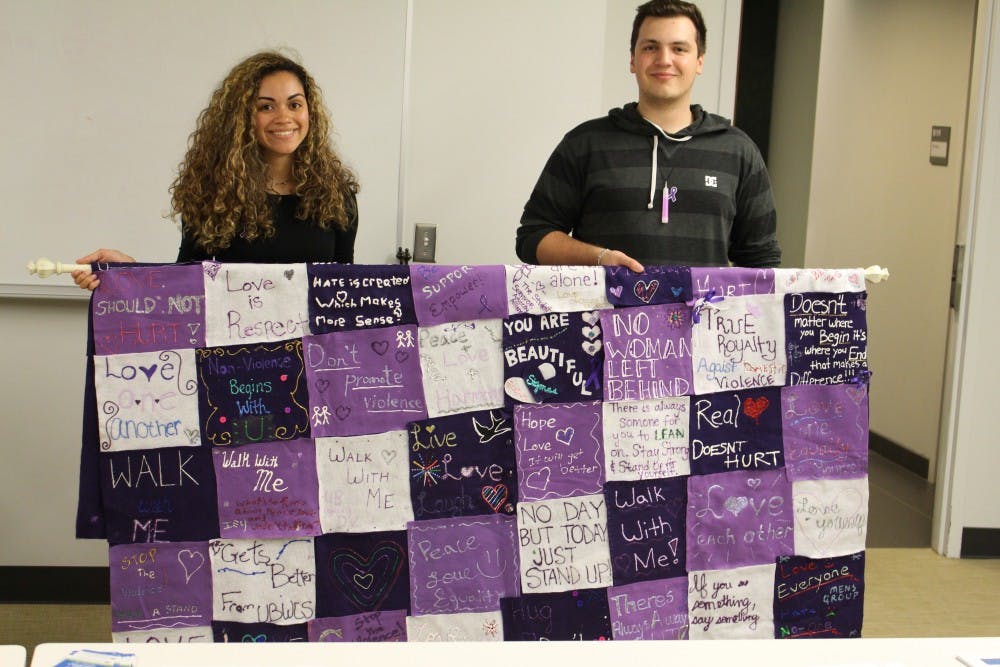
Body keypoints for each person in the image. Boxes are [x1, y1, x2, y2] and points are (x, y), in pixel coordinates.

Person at [515, 0, 780, 273]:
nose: (664, 60)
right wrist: (599, 257)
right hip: (603, 317)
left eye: (679, 49)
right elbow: (532, 237)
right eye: (650, 47)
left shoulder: (738, 151)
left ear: (699, 61)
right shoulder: (584, 144)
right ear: (633, 59)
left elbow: (761, 261)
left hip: (703, 316)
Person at [72, 50, 359, 290]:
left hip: (313, 357)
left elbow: (345, 290)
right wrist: (128, 271)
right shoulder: (214, 193)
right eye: (266, 107)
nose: (284, 117)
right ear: (241, 117)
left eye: (294, 104)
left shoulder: (335, 195)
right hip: (234, 357)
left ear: (310, 111)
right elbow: (184, 284)